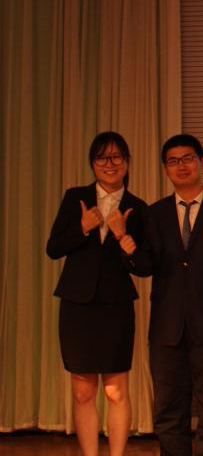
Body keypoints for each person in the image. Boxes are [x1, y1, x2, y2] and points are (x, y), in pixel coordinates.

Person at [133, 134, 203, 456]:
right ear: (165, 168)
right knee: (168, 409)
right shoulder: (153, 214)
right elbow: (145, 266)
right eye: (173, 161)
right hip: (167, 327)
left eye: (187, 159)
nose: (181, 166)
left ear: (202, 162)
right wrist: (128, 251)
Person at [45, 132, 147, 456]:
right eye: (102, 157)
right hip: (78, 305)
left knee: (116, 391)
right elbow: (53, 248)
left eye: (116, 157)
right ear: (92, 163)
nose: (109, 163)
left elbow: (143, 265)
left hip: (115, 306)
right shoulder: (75, 197)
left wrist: (122, 237)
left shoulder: (138, 207)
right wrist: (83, 227)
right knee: (83, 392)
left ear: (127, 162)